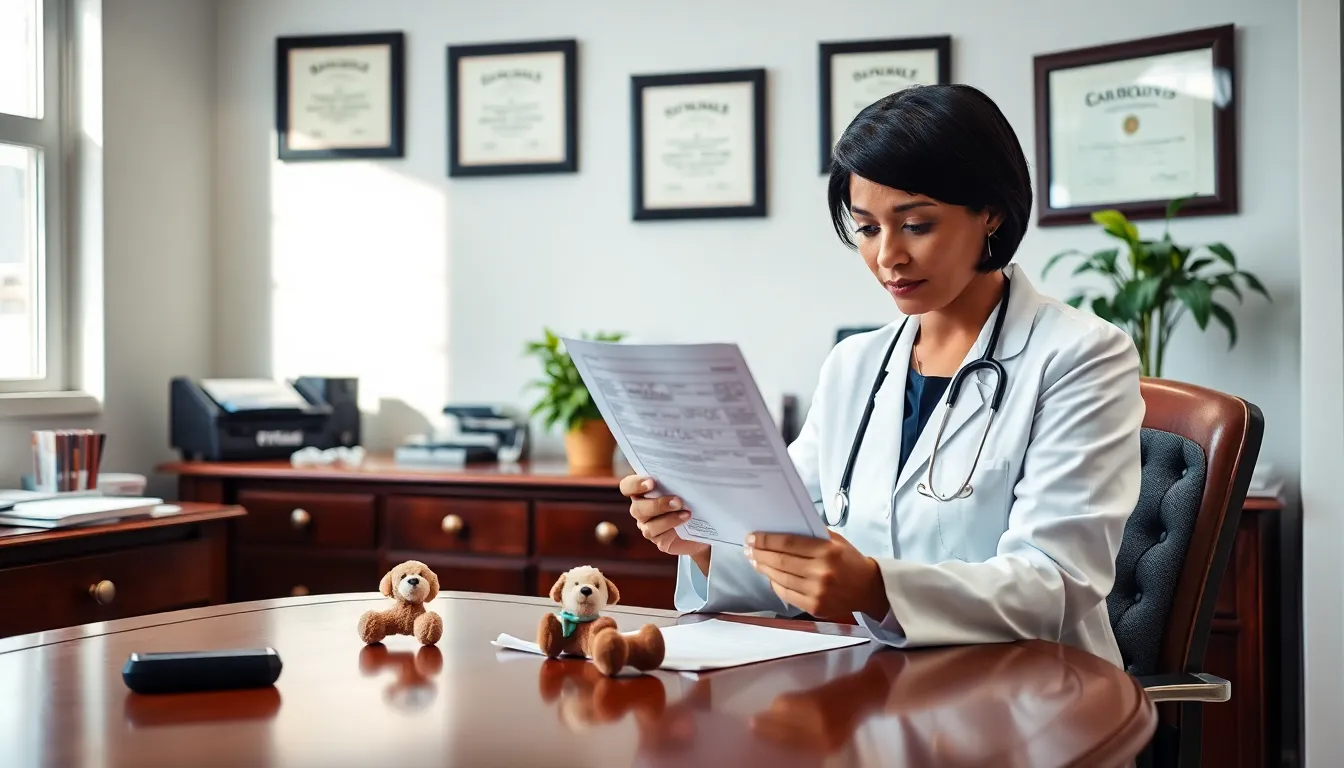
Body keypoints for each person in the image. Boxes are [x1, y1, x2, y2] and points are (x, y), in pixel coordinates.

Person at [619, 83, 1144, 668]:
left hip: (1027, 699)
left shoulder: (1081, 356)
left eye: (916, 224)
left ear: (990, 212)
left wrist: (874, 588)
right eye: (867, 229)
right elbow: (796, 552)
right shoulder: (853, 366)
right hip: (871, 693)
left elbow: (1056, 583)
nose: (888, 256)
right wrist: (706, 546)